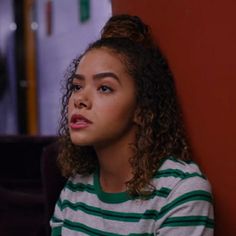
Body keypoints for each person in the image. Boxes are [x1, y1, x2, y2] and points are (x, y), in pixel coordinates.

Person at [50, 14, 214, 235]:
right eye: (77, 86)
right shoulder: (75, 188)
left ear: (142, 110)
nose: (79, 99)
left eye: (104, 88)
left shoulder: (180, 191)